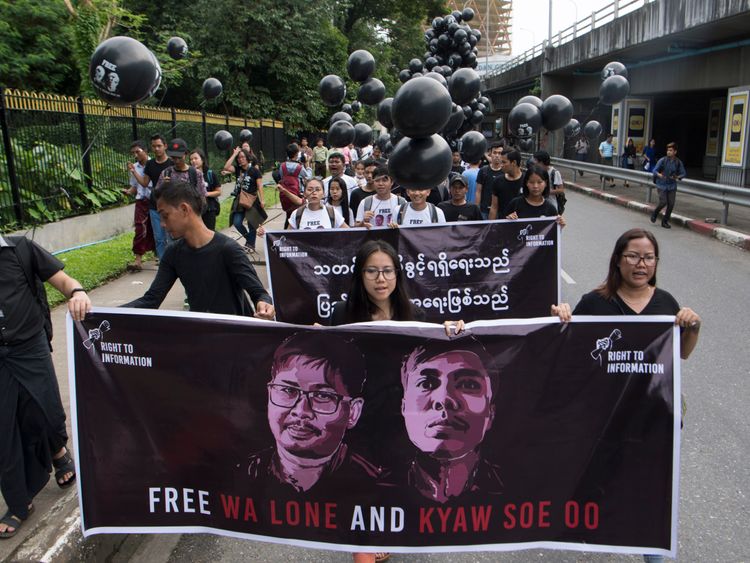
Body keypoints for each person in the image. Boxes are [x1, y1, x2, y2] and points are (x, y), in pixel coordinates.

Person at [0, 235, 91, 538]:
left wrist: (77, 292)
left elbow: (64, 280)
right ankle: (19, 501)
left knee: (48, 414)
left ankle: (57, 449)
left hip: (29, 346)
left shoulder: (21, 249)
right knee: (5, 430)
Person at [246, 332, 379, 494]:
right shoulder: (241, 476)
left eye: (322, 396)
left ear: (353, 412)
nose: (301, 411)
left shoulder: (377, 489)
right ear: (269, 394)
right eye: (288, 390)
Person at [124, 180, 274, 319]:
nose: (162, 224)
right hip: (200, 336)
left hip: (236, 336)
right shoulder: (173, 253)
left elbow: (258, 293)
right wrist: (105, 314)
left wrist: (263, 303)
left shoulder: (228, 249)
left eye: (165, 216)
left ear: (184, 209)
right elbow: (151, 300)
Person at [399, 336, 503, 504]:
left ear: (490, 413)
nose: (444, 399)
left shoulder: (520, 487)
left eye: (468, 385)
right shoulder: (373, 486)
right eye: (426, 384)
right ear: (404, 406)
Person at [129, 134, 172, 260]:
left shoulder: (171, 163)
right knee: (159, 238)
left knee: (171, 236)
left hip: (170, 204)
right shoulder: (150, 164)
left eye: (159, 146)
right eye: (154, 146)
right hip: (155, 205)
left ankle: (174, 261)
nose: (157, 149)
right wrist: (133, 172)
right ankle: (164, 264)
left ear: (165, 146)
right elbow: (144, 183)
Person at [223, 147, 266, 255]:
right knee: (237, 222)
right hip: (239, 200)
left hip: (252, 200)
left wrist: (262, 200)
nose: (240, 159)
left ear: (248, 158)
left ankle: (251, 245)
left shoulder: (254, 171)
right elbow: (226, 167)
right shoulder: (238, 170)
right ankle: (249, 241)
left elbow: (260, 186)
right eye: (239, 158)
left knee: (252, 224)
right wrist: (234, 154)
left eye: (242, 157)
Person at [124, 140, 155, 271]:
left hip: (154, 200)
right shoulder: (135, 167)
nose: (136, 155)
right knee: (139, 228)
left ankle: (158, 254)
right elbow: (135, 186)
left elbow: (146, 183)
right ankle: (138, 260)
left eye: (138, 151)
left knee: (156, 228)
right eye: (133, 153)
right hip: (141, 202)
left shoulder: (154, 164)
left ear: (145, 151)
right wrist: (128, 191)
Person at [650, 142, 686, 229]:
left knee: (671, 204)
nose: (668, 152)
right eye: (668, 150)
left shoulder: (678, 162)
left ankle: (665, 221)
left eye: (671, 150)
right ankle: (655, 213)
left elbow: (683, 173)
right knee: (663, 202)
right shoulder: (662, 160)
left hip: (672, 185)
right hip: (661, 184)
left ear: (675, 152)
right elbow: (654, 170)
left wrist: (677, 177)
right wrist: (659, 175)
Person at [277, 143, 311, 228]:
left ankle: (286, 234)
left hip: (285, 195)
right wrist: (307, 165)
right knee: (298, 215)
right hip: (297, 195)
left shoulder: (282, 166)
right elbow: (308, 177)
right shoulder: (299, 167)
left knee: (289, 216)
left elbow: (281, 177)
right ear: (296, 154)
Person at [189, 148, 222, 231]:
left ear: (202, 159)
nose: (193, 161)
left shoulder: (210, 174)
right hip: (195, 210)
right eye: (191, 159)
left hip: (209, 209)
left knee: (209, 233)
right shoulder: (189, 175)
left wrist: (206, 194)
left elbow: (218, 192)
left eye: (196, 158)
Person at [488, 147, 523, 220]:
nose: (501, 165)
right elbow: (494, 208)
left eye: (504, 162)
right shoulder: (498, 181)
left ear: (514, 163)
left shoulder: (527, 181)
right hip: (503, 226)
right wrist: (490, 227)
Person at [474, 142, 505, 219]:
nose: (497, 155)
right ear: (490, 154)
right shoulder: (483, 170)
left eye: (500, 153)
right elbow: (478, 191)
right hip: (484, 210)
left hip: (500, 211)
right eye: (494, 152)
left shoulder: (505, 172)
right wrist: (477, 208)